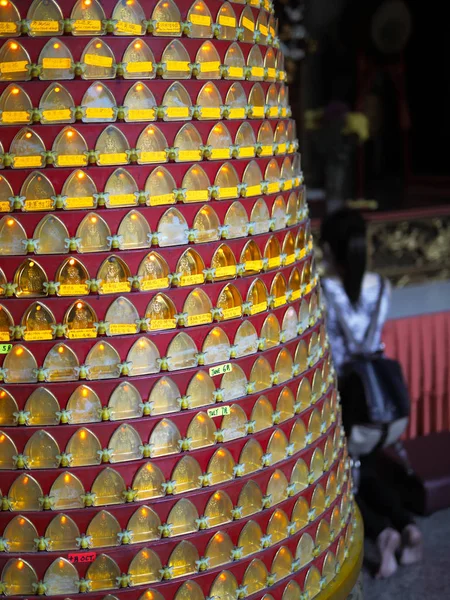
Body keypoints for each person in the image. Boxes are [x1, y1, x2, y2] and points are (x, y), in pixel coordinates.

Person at [320, 208, 422, 579]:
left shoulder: (325, 289)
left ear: (330, 249)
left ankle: (382, 534)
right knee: (372, 466)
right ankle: (407, 526)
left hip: (348, 394)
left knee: (346, 474)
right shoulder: (381, 286)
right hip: (381, 394)